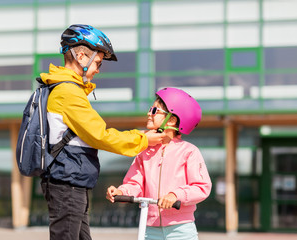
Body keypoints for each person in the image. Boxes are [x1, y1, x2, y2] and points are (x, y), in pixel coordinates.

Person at [39, 24, 166, 240]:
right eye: (97, 63)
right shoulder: (68, 92)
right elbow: (101, 135)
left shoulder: (68, 89)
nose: (98, 70)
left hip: (71, 183)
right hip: (67, 185)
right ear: (81, 56)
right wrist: (143, 139)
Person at [106, 87, 212, 240]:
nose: (149, 113)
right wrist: (121, 192)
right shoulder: (144, 151)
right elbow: (135, 183)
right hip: (149, 228)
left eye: (155, 110)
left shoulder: (189, 152)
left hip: (180, 229)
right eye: (150, 109)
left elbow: (201, 187)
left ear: (172, 119)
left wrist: (175, 195)